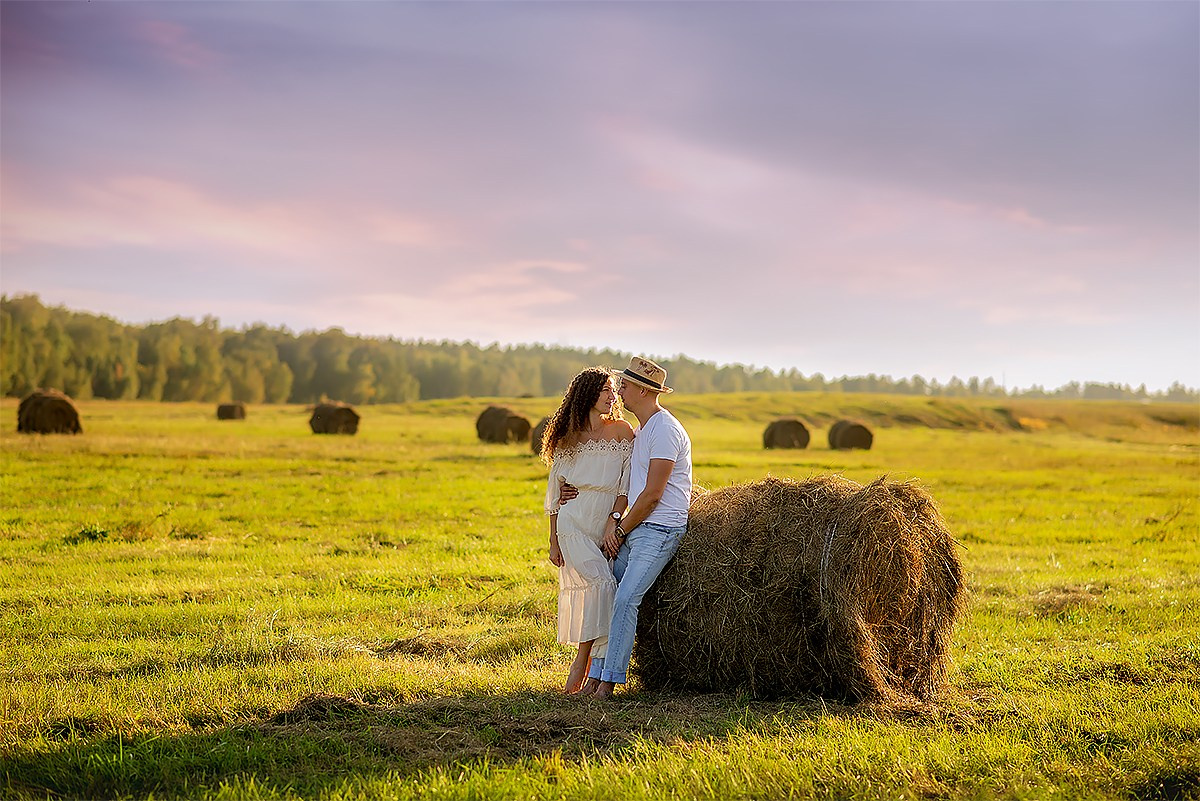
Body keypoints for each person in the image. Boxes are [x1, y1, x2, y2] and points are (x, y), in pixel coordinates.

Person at [564, 356, 692, 700]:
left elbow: (652, 495)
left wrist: (618, 532)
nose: (619, 390)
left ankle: (608, 683)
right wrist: (570, 486)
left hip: (659, 530)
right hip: (637, 529)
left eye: (625, 385)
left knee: (625, 599)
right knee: (606, 593)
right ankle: (594, 676)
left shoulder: (665, 431)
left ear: (643, 391)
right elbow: (620, 477)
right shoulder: (643, 430)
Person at [541, 367, 635, 694]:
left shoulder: (623, 431)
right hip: (574, 524)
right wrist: (553, 540)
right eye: (606, 391)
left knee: (602, 593)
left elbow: (626, 484)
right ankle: (583, 665)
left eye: (613, 391)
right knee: (604, 586)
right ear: (587, 396)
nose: (613, 397)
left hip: (604, 524)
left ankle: (591, 676)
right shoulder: (570, 436)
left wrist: (614, 518)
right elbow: (555, 491)